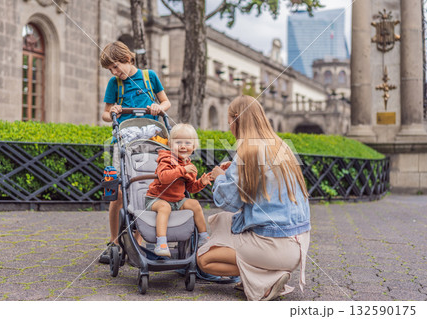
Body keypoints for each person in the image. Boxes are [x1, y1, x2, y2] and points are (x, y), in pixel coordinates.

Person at [196, 95, 311, 301]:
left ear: (236, 119)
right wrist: (233, 172)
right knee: (222, 221)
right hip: (299, 242)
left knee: (203, 260)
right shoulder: (282, 147)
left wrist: (220, 178)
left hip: (273, 246)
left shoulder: (247, 152)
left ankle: (268, 280)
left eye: (229, 121)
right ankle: (269, 273)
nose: (229, 127)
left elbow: (229, 203)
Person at [99, 41, 171, 263]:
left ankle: (136, 242)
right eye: (110, 69)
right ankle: (113, 242)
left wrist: (159, 108)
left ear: (128, 59)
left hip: (149, 142)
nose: (114, 72)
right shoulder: (114, 84)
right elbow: (104, 114)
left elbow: (166, 102)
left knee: (144, 187)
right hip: (123, 141)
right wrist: (113, 111)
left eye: (116, 66)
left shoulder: (149, 77)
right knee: (118, 192)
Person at [146, 123, 212, 257]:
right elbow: (163, 177)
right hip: (157, 199)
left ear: (194, 147)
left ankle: (203, 236)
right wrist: (182, 170)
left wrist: (201, 183)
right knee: (165, 207)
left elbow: (190, 188)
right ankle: (161, 243)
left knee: (194, 204)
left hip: (177, 201)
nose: (183, 146)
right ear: (170, 145)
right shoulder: (165, 159)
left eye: (187, 143)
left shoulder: (190, 166)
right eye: (178, 142)